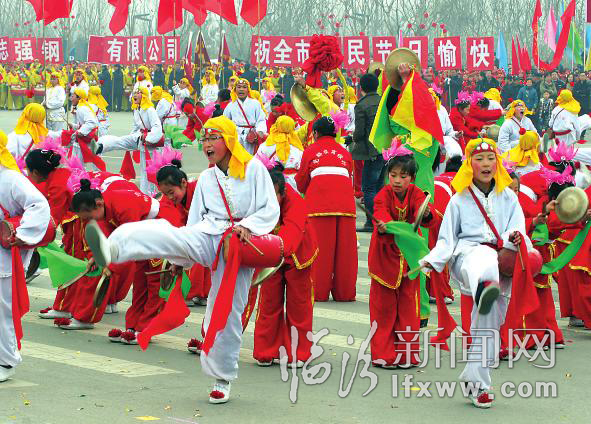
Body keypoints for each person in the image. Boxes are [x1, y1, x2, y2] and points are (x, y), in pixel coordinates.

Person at [84, 116, 279, 404]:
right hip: (208, 233)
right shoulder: (208, 178)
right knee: (167, 233)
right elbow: (195, 220)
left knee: (227, 311)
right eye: (204, 139)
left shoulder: (254, 169)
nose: (207, 144)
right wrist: (182, 257)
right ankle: (114, 248)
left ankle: (222, 378)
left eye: (213, 138)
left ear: (228, 141)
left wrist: (247, 226)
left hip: (238, 244)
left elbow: (269, 209)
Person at [420, 138, 533, 408]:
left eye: (491, 158)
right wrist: (432, 260)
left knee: (489, 322)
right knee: (485, 262)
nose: (486, 164)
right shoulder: (458, 199)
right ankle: (485, 289)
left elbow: (518, 229)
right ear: (470, 163)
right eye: (479, 159)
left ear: (497, 163)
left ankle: (476, 382)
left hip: (501, 259)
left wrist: (513, 238)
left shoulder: (509, 197)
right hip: (468, 255)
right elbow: (447, 239)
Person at [369, 147, 438, 368]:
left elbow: (423, 210)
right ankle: (383, 354)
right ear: (388, 175)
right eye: (393, 175)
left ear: (413, 178)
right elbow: (380, 213)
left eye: (403, 176)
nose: (397, 180)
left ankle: (407, 355)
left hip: (409, 257)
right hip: (385, 257)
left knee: (409, 308)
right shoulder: (382, 195)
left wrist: (426, 213)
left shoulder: (417, 193)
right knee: (384, 309)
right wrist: (383, 225)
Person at [0, 131, 51, 383]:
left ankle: (6, 361)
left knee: (3, 311)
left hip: (5, 256)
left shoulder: (11, 179)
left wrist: (21, 233)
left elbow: (39, 205)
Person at [253, 170, 317, 367]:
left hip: (298, 254)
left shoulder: (295, 202)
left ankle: (299, 353)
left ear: (283, 192)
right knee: (269, 301)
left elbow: (292, 230)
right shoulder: (256, 198)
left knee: (299, 305)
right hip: (270, 254)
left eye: (274, 195)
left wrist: (276, 251)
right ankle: (266, 351)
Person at [295, 116, 358, 302]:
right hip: (346, 206)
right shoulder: (344, 152)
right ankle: (345, 294)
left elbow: (301, 182)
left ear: (315, 133)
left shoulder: (310, 151)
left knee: (320, 251)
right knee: (345, 252)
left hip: (319, 206)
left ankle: (319, 292)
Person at [97, 87, 163, 196]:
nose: (134, 95)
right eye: (134, 93)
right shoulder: (137, 109)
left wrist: (148, 138)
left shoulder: (150, 109)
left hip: (150, 144)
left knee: (147, 171)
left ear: (144, 95)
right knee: (121, 141)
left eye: (138, 93)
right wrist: (132, 136)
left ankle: (148, 194)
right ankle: (101, 145)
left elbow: (157, 127)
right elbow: (136, 126)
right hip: (139, 138)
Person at [346, 73, 382, 232]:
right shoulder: (383, 101)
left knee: (368, 189)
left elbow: (360, 132)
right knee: (380, 188)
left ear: (361, 87)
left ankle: (370, 223)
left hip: (370, 151)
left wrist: (351, 138)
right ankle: (380, 220)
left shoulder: (361, 105)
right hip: (386, 150)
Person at [256, 115, 304, 190]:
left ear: (276, 126)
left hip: (272, 182)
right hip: (293, 183)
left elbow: (257, 165)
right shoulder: (298, 146)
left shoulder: (266, 145)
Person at [223, 79, 267, 154]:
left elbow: (261, 120)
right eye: (239, 87)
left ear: (248, 90)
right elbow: (225, 122)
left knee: (251, 157)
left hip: (252, 136)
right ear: (235, 89)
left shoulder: (255, 103)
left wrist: (259, 131)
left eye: (244, 87)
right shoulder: (230, 105)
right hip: (236, 135)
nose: (241, 89)